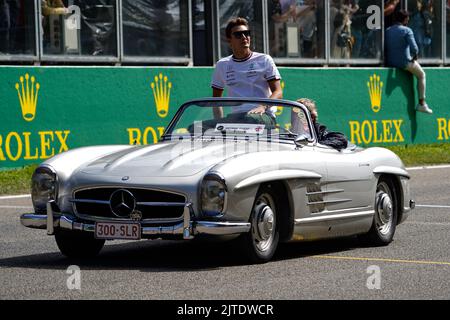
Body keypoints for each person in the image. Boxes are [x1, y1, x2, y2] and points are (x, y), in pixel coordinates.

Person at [211, 17, 283, 127]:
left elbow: (278, 92)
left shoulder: (264, 59)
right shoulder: (222, 64)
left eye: (247, 33)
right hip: (236, 118)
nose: (244, 37)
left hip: (264, 116)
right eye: (238, 34)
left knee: (250, 119)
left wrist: (263, 107)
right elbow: (216, 100)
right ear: (229, 40)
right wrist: (219, 124)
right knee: (196, 127)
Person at [385, 9, 432, 114]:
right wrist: (414, 56)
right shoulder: (407, 30)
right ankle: (422, 103)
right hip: (404, 63)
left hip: (390, 62)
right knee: (422, 75)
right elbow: (415, 49)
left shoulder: (387, 30)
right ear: (405, 19)